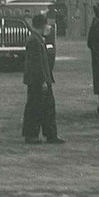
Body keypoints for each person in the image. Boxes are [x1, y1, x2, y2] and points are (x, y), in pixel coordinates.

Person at [22, 13, 64, 145]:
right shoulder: (35, 40)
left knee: (45, 107)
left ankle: (49, 134)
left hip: (39, 79)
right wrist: (43, 81)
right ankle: (34, 135)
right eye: (46, 25)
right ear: (42, 25)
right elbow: (37, 63)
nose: (48, 27)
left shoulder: (36, 38)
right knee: (37, 108)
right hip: (38, 80)